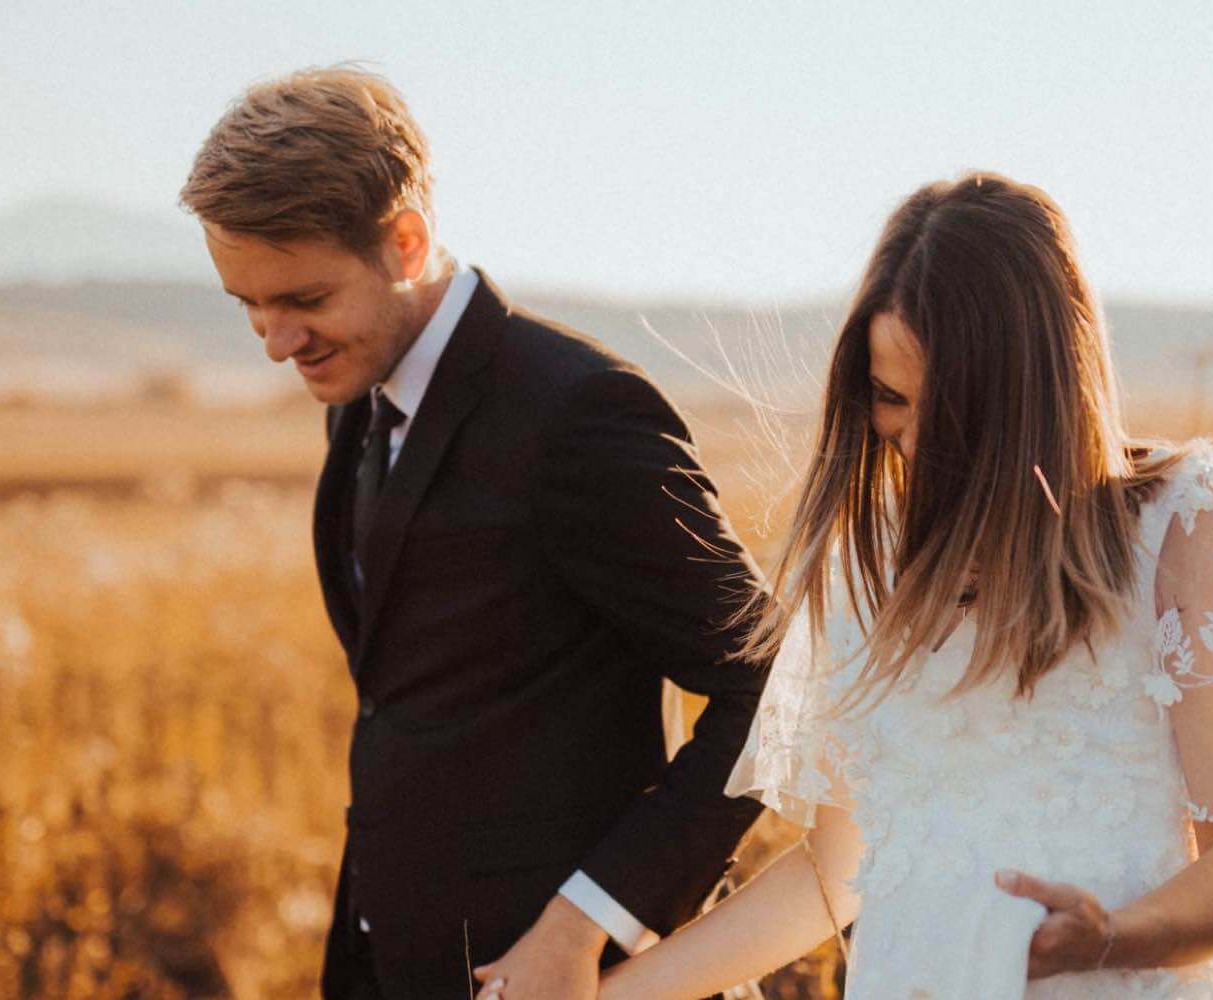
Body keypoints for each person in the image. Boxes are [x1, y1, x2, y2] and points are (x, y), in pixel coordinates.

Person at [595, 172, 1213, 998]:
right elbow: (835, 872)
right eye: (885, 398)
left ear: (1028, 395)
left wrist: (1111, 938)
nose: (905, 437)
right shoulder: (867, 561)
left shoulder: (1174, 528)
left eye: (941, 409)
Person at [178, 67, 771, 1000]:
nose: (274, 340)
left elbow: (771, 689)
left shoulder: (578, 413)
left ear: (405, 242)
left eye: (303, 300)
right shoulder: (359, 399)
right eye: (246, 304)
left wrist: (586, 927)